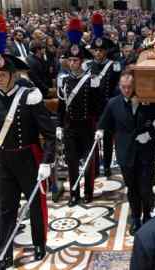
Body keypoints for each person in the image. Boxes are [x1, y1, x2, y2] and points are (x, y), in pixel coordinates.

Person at [0, 14, 55, 270]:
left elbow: (48, 132)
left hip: (29, 157)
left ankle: (39, 242)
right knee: (6, 209)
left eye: (3, 75)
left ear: (13, 74)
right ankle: (3, 255)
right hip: (5, 160)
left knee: (35, 204)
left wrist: (47, 161)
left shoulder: (30, 96)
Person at [97, 72, 155, 235]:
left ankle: (147, 216)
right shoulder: (113, 104)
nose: (127, 90)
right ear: (119, 86)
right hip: (125, 153)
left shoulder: (147, 101)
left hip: (145, 152)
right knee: (132, 188)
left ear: (135, 86)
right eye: (123, 87)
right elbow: (104, 122)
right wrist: (99, 131)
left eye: (129, 87)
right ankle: (135, 217)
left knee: (145, 188)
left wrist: (150, 134)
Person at [57, 17, 98, 207]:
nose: (72, 63)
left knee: (88, 161)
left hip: (87, 125)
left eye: (76, 60)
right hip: (70, 125)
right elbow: (60, 105)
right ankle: (74, 193)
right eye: (70, 60)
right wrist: (59, 125)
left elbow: (98, 103)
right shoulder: (63, 80)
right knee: (72, 161)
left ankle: (89, 192)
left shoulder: (90, 79)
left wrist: (99, 125)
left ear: (82, 61)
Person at [87, 33, 121, 178]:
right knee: (92, 138)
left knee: (107, 138)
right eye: (96, 50)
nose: (98, 52)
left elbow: (116, 86)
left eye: (101, 50)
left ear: (106, 51)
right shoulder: (88, 66)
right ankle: (94, 166)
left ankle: (106, 165)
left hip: (107, 107)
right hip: (92, 107)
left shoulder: (114, 66)